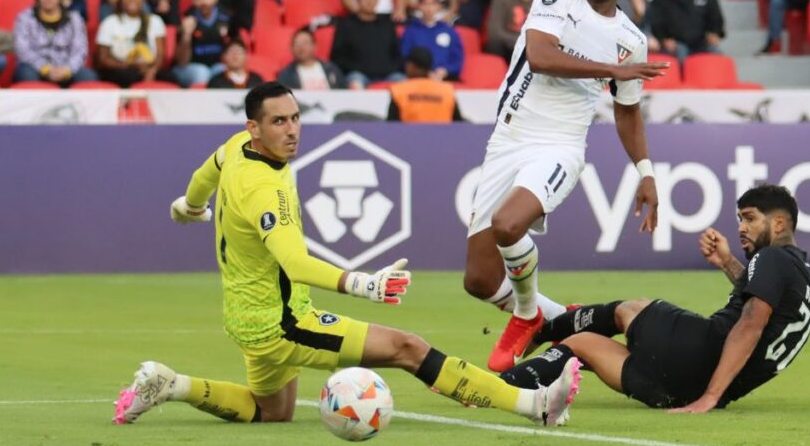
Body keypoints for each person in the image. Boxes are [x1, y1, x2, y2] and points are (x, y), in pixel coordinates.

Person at [114, 82, 579, 427]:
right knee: (407, 348)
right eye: (279, 122)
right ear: (253, 128)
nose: (292, 130)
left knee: (271, 411)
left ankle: (170, 384)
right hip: (283, 324)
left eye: (295, 118)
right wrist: (363, 284)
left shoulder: (236, 149)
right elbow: (296, 263)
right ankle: (533, 404)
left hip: (244, 316)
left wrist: (189, 206)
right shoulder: (265, 190)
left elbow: (204, 172)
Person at [464, 0, 667, 373]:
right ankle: (563, 319)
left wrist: (645, 173)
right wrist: (613, 73)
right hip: (508, 138)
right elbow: (540, 56)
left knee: (508, 224)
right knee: (479, 280)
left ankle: (526, 316)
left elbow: (627, 112)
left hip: (560, 145)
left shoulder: (630, 40)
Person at [498, 184, 810, 414]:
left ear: (779, 223)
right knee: (582, 344)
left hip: (702, 352)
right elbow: (763, 301)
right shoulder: (809, 284)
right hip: (687, 388)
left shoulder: (774, 258)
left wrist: (709, 397)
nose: (741, 227)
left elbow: (751, 324)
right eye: (740, 218)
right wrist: (727, 262)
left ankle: (541, 328)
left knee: (631, 309)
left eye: (750, 218)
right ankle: (502, 388)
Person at [12, 0, 97, 86]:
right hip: (36, 68)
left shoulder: (74, 19)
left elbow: (80, 51)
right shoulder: (24, 18)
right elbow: (22, 50)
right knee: (26, 73)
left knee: (89, 76)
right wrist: (46, 68)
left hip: (65, 69)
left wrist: (67, 70)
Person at [94, 0, 171, 87]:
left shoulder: (155, 21)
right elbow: (103, 59)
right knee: (129, 75)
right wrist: (129, 64)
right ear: (121, 0)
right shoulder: (109, 22)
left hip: (149, 67)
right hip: (121, 68)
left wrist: (152, 71)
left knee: (170, 77)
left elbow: (160, 55)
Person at [331, 0, 405, 89]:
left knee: (403, 83)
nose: (369, 0)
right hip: (358, 75)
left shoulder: (387, 24)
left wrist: (390, 68)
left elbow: (396, 54)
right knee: (355, 83)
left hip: (388, 75)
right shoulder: (346, 25)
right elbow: (337, 57)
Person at [174, 0, 231, 87]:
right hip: (190, 68)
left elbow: (235, 53)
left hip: (217, 65)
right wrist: (186, 35)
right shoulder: (185, 19)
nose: (203, 1)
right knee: (202, 72)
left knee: (222, 71)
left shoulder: (227, 18)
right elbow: (182, 62)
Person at [399, 0, 464, 80]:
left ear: (438, 6)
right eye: (425, 4)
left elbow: (457, 59)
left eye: (432, 4)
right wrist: (425, 73)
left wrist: (445, 71)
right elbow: (405, 58)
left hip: (446, 78)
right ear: (419, 6)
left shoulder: (448, 31)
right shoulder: (411, 31)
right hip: (418, 78)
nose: (429, 8)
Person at [387, 46, 465, 121]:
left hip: (409, 134)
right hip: (442, 134)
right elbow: (458, 125)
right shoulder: (447, 90)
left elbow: (390, 127)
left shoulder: (399, 90)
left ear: (412, 66)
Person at [276, 27, 347, 89]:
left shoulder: (332, 69)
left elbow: (343, 92)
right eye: (297, 44)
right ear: (292, 48)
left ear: (315, 46)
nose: (301, 48)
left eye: (305, 43)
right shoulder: (286, 76)